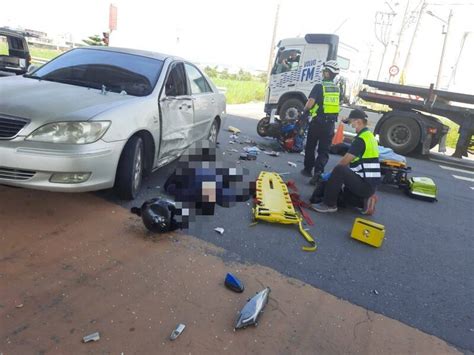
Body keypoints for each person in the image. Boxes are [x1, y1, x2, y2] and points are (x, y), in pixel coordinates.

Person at [311, 109, 381, 214]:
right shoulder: (369, 136)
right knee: (346, 197)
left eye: (352, 122)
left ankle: (329, 205)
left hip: (365, 185)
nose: (351, 125)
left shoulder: (361, 139)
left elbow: (344, 162)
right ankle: (364, 202)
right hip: (369, 184)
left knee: (340, 170)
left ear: (358, 122)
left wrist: (329, 175)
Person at [300, 60, 341, 185]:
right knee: (324, 150)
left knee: (311, 146)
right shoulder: (337, 89)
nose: (322, 73)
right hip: (330, 124)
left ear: (328, 73)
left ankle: (308, 170)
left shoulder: (319, 86)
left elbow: (311, 102)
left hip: (317, 123)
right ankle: (318, 173)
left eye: (324, 71)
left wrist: (304, 111)